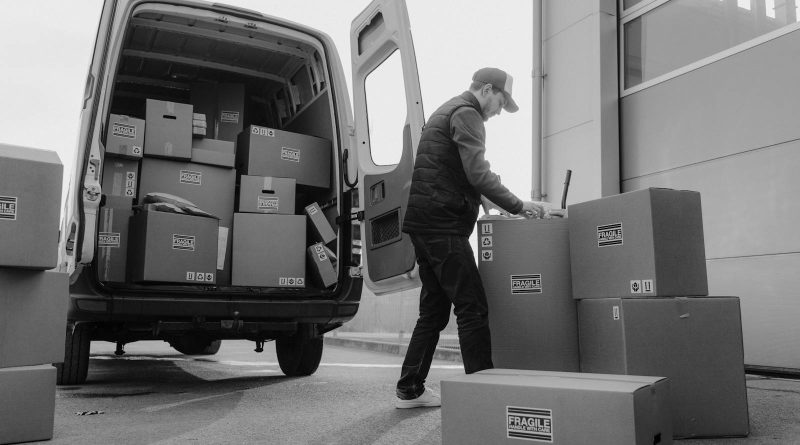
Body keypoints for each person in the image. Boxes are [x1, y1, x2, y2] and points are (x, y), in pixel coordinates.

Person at [395, 67, 544, 409]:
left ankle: (409, 388)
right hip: (442, 226)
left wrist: (491, 201)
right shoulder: (468, 114)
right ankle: (483, 392)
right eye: (500, 103)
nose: (497, 113)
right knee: (472, 306)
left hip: (424, 222)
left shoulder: (446, 110)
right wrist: (519, 206)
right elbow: (478, 171)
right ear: (488, 90)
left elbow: (458, 171)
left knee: (433, 311)